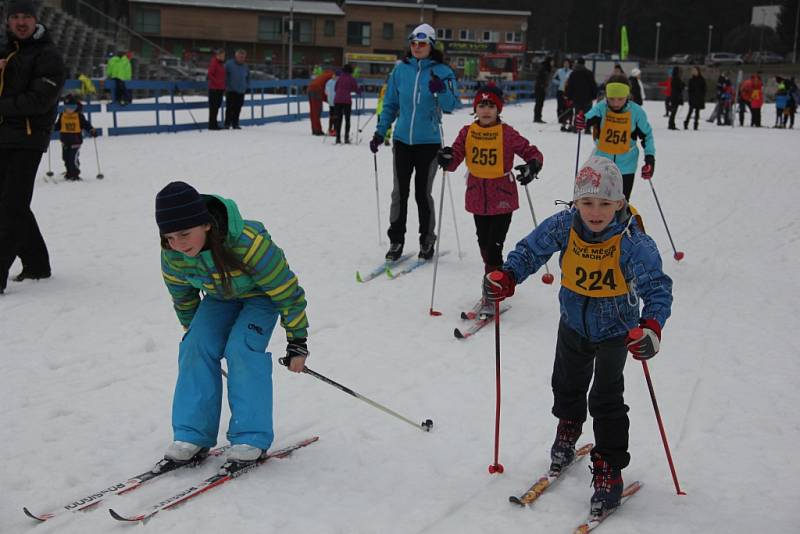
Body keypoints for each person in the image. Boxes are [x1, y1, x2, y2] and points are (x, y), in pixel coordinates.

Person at [484, 155, 672, 519]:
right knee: (567, 384)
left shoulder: (632, 240)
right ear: (576, 202)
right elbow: (531, 250)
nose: (595, 211)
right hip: (572, 322)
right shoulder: (565, 225)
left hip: (617, 331)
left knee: (606, 399)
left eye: (605, 203)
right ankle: (568, 427)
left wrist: (651, 327)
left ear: (619, 203)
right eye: (587, 202)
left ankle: (609, 470)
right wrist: (507, 275)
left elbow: (658, 288)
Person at [155, 181, 310, 466]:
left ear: (206, 225)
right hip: (219, 298)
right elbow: (182, 294)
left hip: (261, 298)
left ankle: (251, 437)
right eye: (169, 237)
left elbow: (287, 291)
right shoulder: (173, 254)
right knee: (195, 347)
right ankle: (192, 434)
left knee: (241, 349)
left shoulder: (248, 243)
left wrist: (297, 342)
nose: (178, 244)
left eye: (185, 234)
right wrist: (194, 329)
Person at [437, 85, 543, 315]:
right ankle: (496, 279)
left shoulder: (506, 133)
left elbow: (531, 151)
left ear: (498, 109)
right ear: (475, 108)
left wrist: (532, 167)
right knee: (484, 244)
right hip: (477, 197)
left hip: (502, 197)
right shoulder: (467, 132)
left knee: (495, 246)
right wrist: (446, 157)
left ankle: (492, 290)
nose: (486, 110)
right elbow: (454, 159)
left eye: (491, 106)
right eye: (482, 105)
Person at [369, 23, 457, 261]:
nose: (417, 48)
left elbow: (451, 105)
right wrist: (380, 132)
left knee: (422, 193)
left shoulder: (442, 71)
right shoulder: (400, 71)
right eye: (414, 43)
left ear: (431, 45)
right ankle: (396, 240)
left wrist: (441, 91)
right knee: (399, 193)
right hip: (402, 141)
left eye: (422, 44)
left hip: (429, 142)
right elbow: (390, 105)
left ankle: (427, 240)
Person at [0, 0, 65, 294]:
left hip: (27, 139)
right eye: (15, 17)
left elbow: (40, 100)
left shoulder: (47, 54)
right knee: (12, 203)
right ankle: (37, 263)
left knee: (12, 206)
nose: (21, 22)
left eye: (26, 16)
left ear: (36, 20)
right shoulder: (6, 50)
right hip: (3, 136)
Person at [581, 74, 655, 201]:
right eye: (611, 98)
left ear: (627, 95)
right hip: (602, 163)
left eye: (620, 99)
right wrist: (581, 120)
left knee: (621, 202)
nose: (615, 103)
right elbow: (587, 118)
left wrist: (649, 159)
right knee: (599, 201)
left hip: (626, 165)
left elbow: (647, 136)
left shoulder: (636, 112)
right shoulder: (601, 107)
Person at [53, 94, 97, 181]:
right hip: (65, 141)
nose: (69, 109)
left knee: (73, 159)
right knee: (65, 158)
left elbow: (86, 124)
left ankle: (75, 174)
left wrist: (91, 130)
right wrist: (51, 127)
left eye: (72, 107)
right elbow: (58, 126)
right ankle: (69, 173)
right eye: (67, 107)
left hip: (75, 141)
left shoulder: (79, 116)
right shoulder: (62, 115)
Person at [332, 64, 361, 144]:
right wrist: (359, 90)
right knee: (347, 119)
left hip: (337, 100)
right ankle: (346, 138)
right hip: (347, 101)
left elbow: (335, 89)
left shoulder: (339, 78)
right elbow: (356, 89)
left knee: (338, 119)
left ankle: (338, 138)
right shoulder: (351, 79)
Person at [564, 57, 598, 123]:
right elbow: (593, 85)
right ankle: (587, 128)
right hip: (587, 97)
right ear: (584, 64)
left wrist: (568, 96)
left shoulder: (573, 73)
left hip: (577, 98)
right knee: (588, 113)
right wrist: (594, 95)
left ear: (577, 63)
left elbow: (570, 86)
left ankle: (576, 127)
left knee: (577, 113)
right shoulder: (589, 73)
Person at [224, 49, 249, 129]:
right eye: (240, 56)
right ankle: (227, 124)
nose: (241, 58)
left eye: (243, 57)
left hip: (241, 90)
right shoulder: (229, 64)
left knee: (238, 108)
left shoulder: (245, 66)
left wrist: (246, 85)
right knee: (229, 108)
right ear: (236, 56)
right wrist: (226, 85)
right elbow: (224, 75)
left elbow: (248, 77)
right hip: (231, 90)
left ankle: (235, 124)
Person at [308, 68, 334, 136]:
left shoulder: (324, 75)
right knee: (317, 110)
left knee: (313, 110)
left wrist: (328, 100)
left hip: (310, 88)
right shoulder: (332, 77)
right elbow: (331, 90)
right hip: (317, 89)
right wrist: (331, 101)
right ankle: (317, 130)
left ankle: (314, 129)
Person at [206, 49, 225, 130]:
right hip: (214, 89)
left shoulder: (221, 64)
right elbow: (210, 74)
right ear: (217, 55)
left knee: (217, 107)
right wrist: (217, 82)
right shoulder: (214, 63)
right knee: (213, 107)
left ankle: (214, 124)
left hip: (220, 88)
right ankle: (212, 125)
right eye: (221, 55)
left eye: (224, 56)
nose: (223, 57)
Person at [553, 58, 573, 130]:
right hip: (560, 90)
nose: (566, 64)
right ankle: (560, 119)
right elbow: (554, 79)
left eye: (567, 63)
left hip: (567, 92)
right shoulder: (559, 71)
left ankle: (566, 120)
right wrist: (560, 83)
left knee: (567, 107)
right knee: (560, 106)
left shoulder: (571, 72)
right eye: (565, 63)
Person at [533, 56, 553, 123]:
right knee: (539, 103)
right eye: (552, 61)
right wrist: (542, 85)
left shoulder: (546, 68)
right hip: (540, 88)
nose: (553, 63)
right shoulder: (544, 68)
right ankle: (537, 117)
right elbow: (540, 77)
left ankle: (538, 117)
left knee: (540, 103)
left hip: (542, 87)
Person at [325, 70, 338, 136]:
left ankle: (331, 129)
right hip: (335, 102)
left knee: (332, 116)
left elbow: (326, 91)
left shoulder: (329, 82)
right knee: (335, 116)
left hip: (331, 101)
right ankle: (334, 129)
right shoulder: (337, 82)